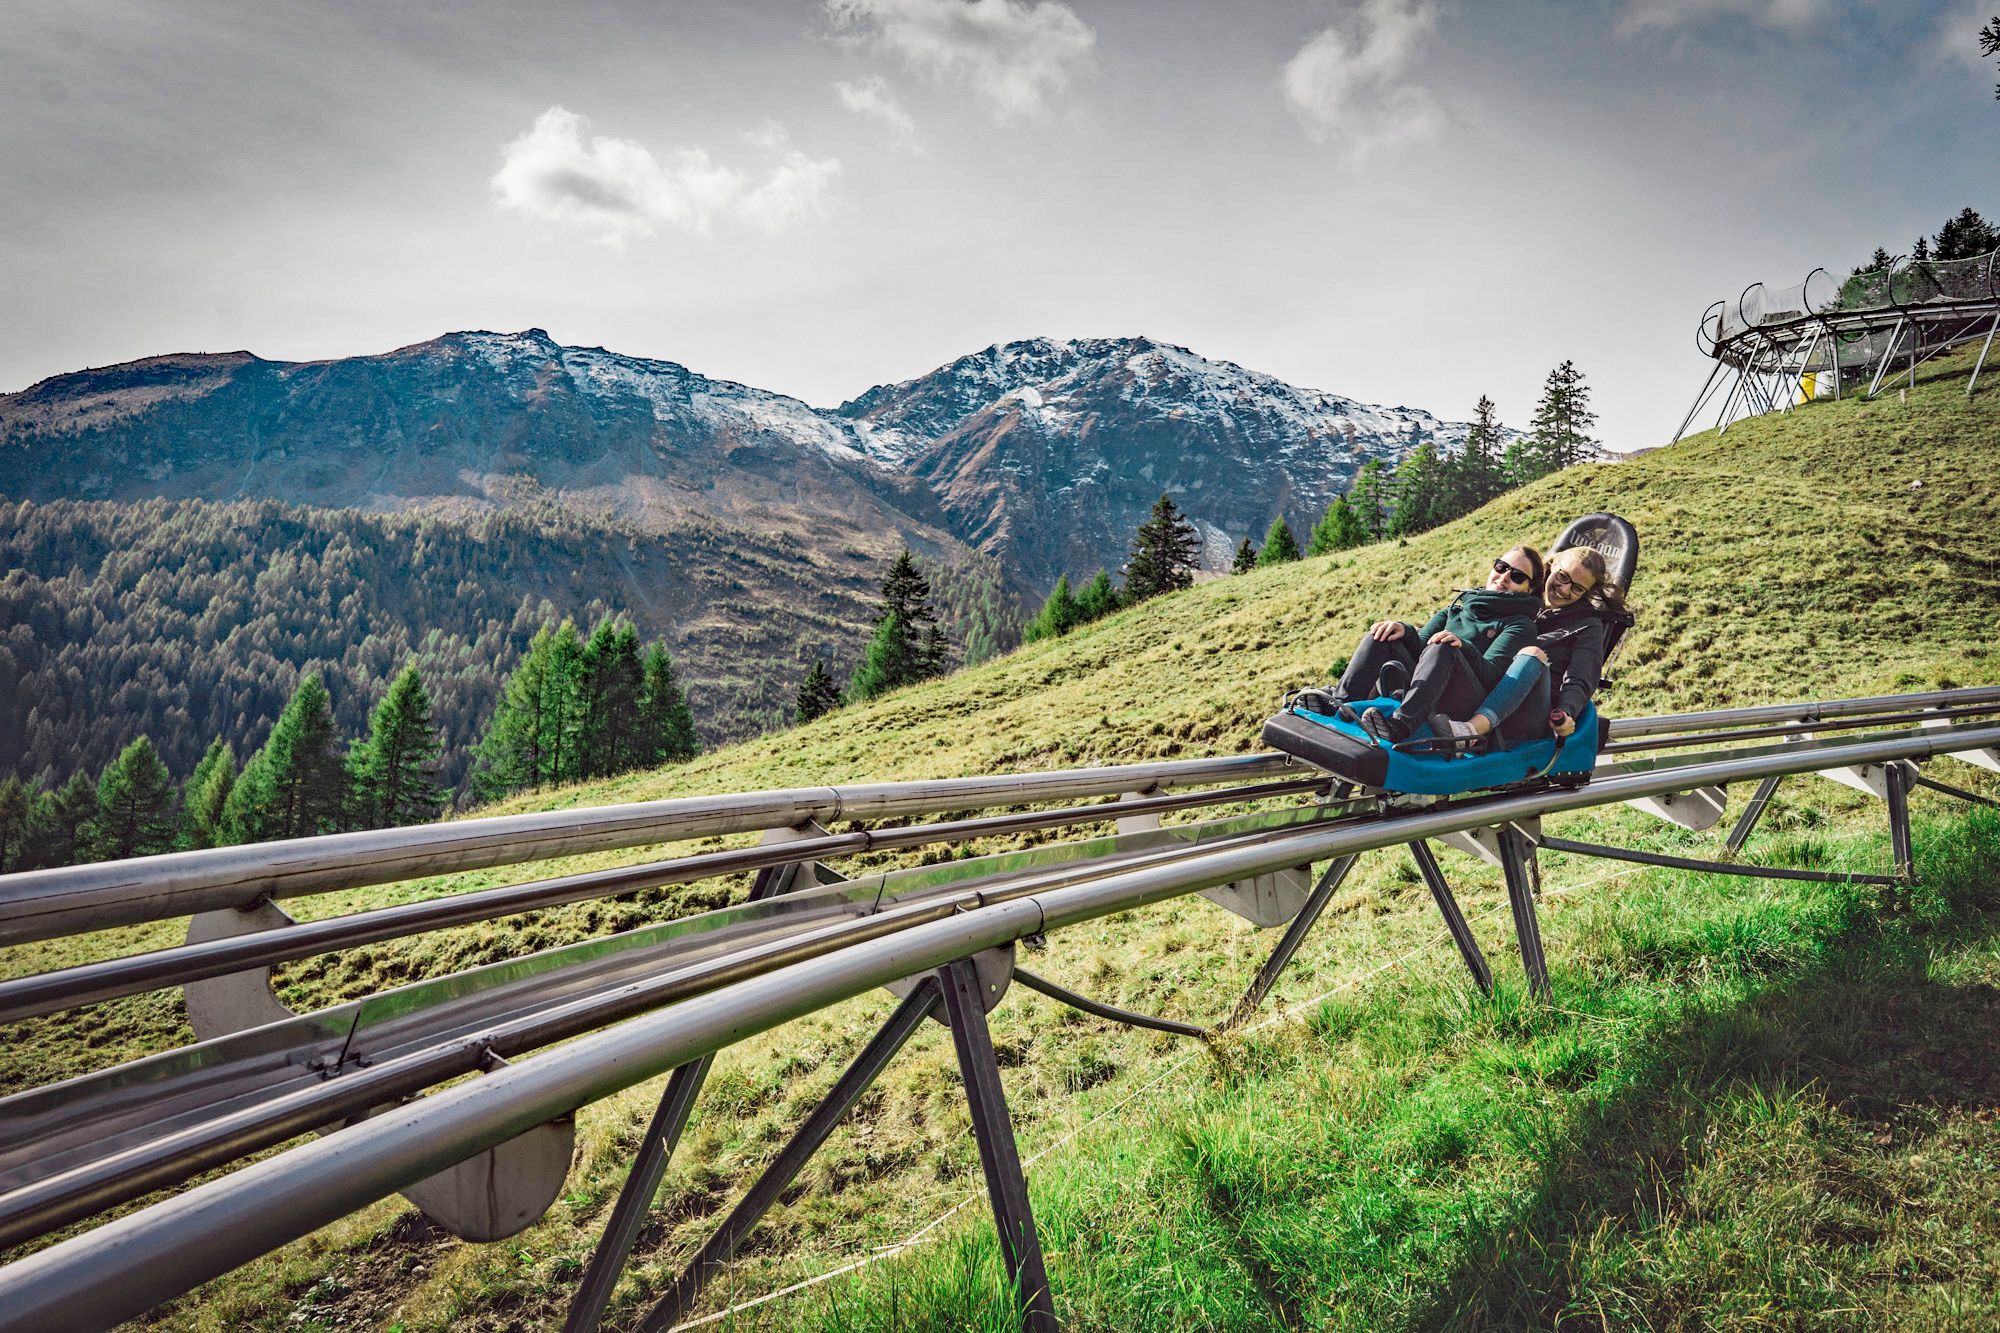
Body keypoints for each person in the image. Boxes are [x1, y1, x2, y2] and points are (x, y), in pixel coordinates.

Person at [1306, 546, 1545, 738]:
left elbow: (1493, 677)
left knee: (1443, 646)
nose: (1503, 577)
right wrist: (1404, 630)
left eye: (1517, 576)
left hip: (1464, 702)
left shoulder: (1520, 624)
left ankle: (1400, 725)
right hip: (1425, 687)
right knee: (1382, 634)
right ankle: (1338, 704)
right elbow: (1422, 652)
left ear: (1529, 589)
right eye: (1501, 566)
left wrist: (1461, 646)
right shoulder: (1457, 608)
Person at [1429, 545, 1630, 747]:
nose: (1565, 589)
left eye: (1577, 588)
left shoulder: (1588, 625)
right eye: (1562, 576)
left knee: (1532, 655)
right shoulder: (1519, 596)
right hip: (1484, 690)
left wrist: (1566, 711)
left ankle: (1469, 732)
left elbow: (1580, 678)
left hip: (1530, 711)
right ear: (1551, 566)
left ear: (1587, 592)